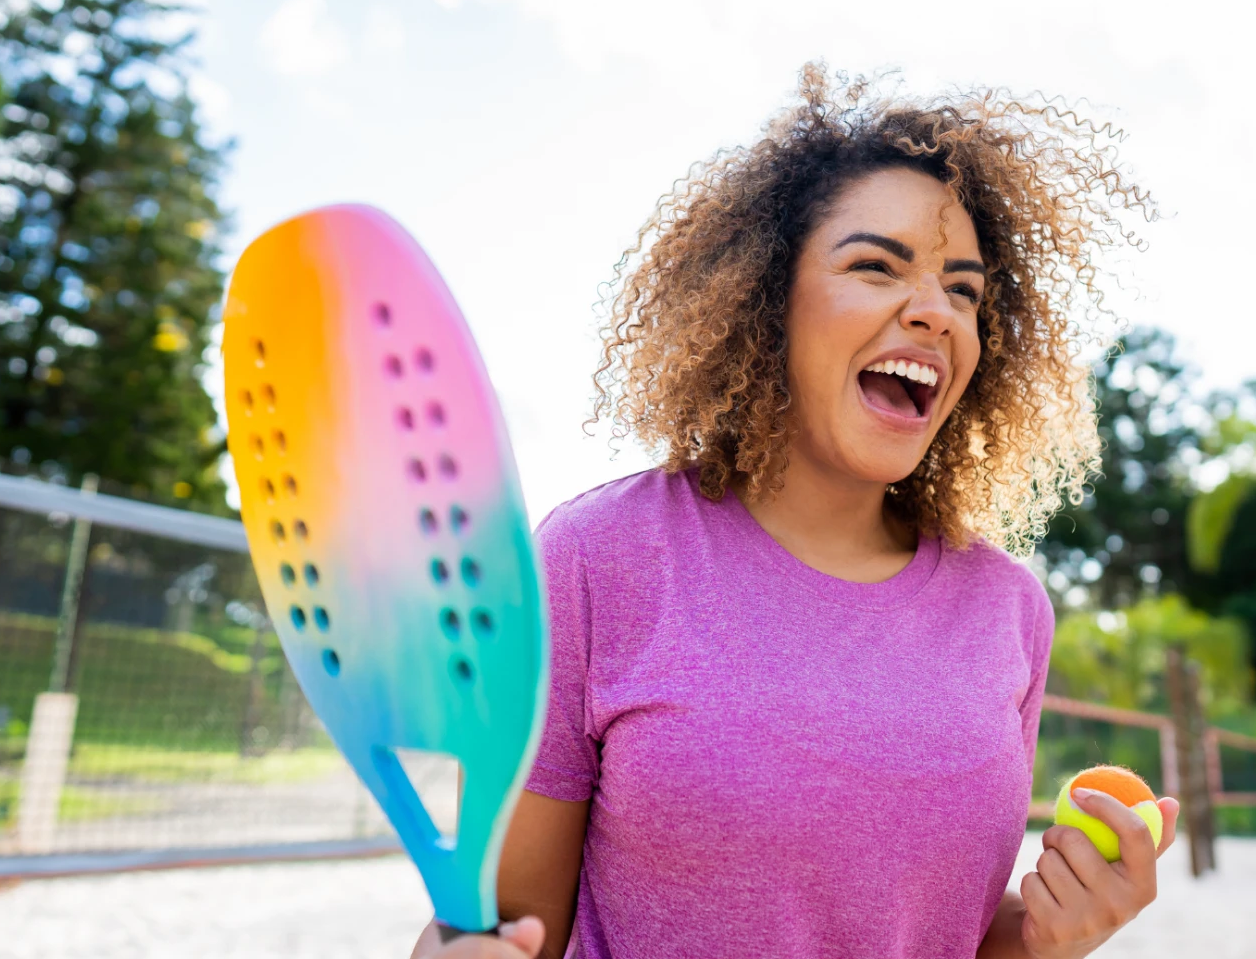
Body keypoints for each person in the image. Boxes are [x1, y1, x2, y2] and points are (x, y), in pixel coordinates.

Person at [417, 65, 1178, 959]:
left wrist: (1051, 937)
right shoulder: (595, 558)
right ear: (763, 300)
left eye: (964, 291)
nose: (935, 311)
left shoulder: (1009, 610)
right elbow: (503, 931)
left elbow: (960, 942)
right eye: (874, 265)